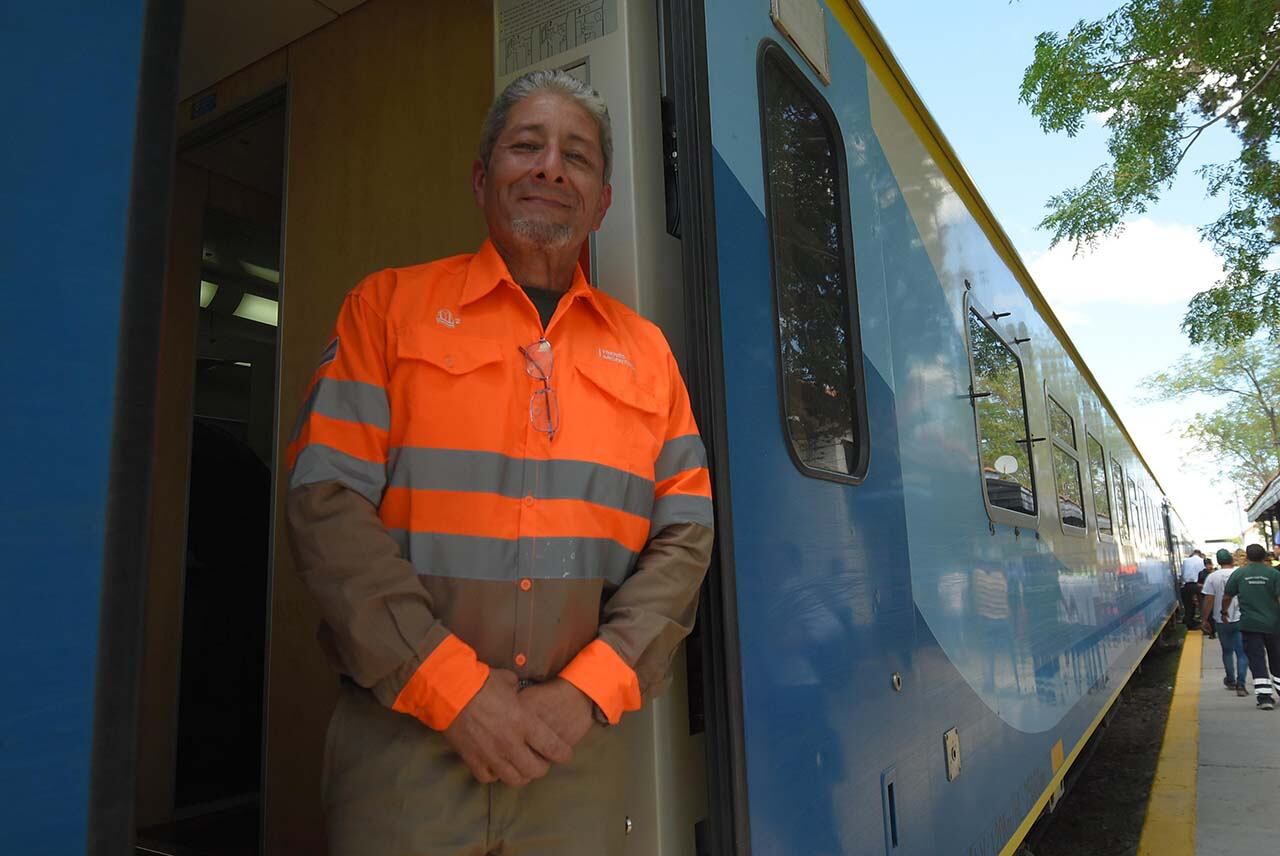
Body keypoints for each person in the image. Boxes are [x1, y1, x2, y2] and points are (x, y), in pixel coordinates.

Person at [286, 69, 715, 855]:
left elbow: (685, 537)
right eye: (528, 145)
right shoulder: (384, 311)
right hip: (404, 749)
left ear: (603, 202)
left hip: (576, 756)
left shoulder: (647, 354)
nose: (551, 166)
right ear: (482, 180)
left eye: (577, 156)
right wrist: (454, 691)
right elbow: (325, 505)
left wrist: (587, 691)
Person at [1221, 544, 1280, 710]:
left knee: (1256, 659)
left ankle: (1264, 698)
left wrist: (1224, 611)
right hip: (1274, 624)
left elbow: (1227, 596)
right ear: (1264, 557)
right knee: (1277, 657)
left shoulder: (1239, 573)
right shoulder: (1274, 574)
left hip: (1250, 625)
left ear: (1247, 557)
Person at [1201, 549, 1248, 696]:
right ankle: (1241, 685)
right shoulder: (1241, 574)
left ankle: (1230, 679)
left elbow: (1209, 600)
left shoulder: (1212, 577)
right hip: (1241, 618)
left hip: (1221, 620)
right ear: (1231, 560)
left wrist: (1204, 619)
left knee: (1227, 651)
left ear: (1219, 561)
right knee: (1242, 653)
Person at [1180, 549, 1205, 629]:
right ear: (1200, 554)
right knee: (1202, 604)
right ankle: (1204, 621)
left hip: (1187, 585)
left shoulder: (1185, 561)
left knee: (1189, 605)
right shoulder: (1202, 561)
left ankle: (1190, 623)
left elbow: (1182, 574)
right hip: (1199, 585)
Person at [1198, 556, 1216, 638]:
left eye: (1210, 564)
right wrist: (1205, 586)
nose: (1209, 566)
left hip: (1216, 596)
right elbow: (1198, 584)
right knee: (1209, 614)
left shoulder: (1215, 572)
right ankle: (1211, 632)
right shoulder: (1202, 573)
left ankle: (1214, 630)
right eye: (1207, 565)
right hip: (1206, 595)